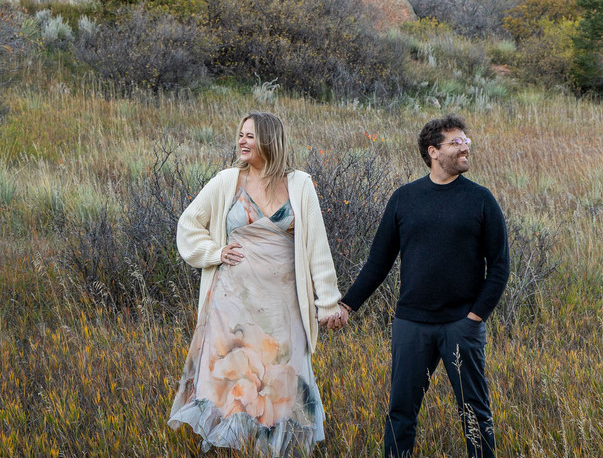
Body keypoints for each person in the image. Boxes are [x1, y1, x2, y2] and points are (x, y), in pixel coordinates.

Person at [329, 113, 509, 458]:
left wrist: (475, 317)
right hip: (411, 324)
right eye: (456, 142)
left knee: (475, 412)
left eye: (466, 141)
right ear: (433, 151)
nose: (465, 147)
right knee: (401, 413)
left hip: (461, 324)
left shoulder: (481, 199)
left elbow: (499, 265)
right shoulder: (405, 198)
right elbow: (378, 263)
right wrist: (347, 305)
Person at [168, 111, 344, 456]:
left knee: (280, 378)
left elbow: (317, 248)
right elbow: (188, 224)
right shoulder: (227, 181)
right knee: (236, 378)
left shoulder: (299, 184)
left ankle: (274, 449)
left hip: (283, 303)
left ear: (270, 139)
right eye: (240, 134)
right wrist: (215, 251)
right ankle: (236, 448)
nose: (242, 141)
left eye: (250, 135)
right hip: (231, 302)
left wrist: (328, 302)